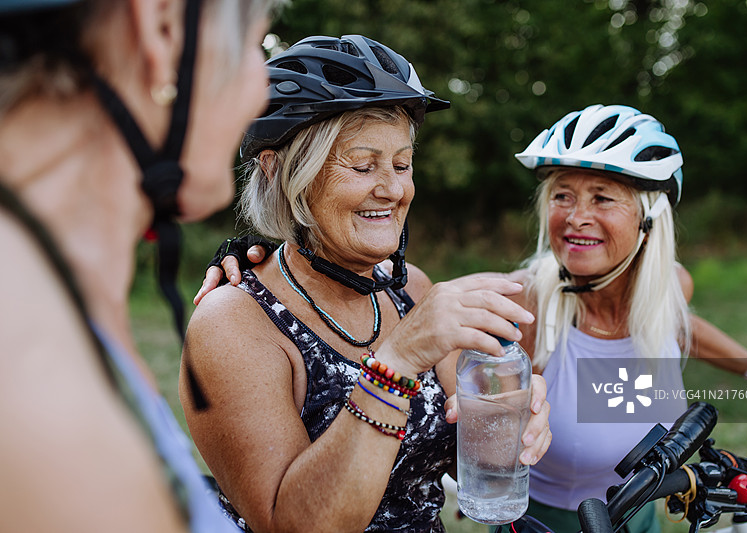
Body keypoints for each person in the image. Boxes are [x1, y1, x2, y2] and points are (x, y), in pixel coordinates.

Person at [179, 35, 551, 533]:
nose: (394, 189)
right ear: (281, 172)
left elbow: (453, 462)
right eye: (362, 165)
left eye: (402, 164)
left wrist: (506, 416)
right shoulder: (233, 322)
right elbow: (294, 524)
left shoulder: (408, 289)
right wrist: (395, 365)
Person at [0, 0, 281, 531]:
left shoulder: (48, 295)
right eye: (253, 47)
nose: (260, 91)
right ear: (162, 30)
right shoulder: (29, 369)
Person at [509, 103, 747, 533]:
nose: (576, 216)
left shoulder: (671, 285)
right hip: (548, 522)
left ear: (648, 219)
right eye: (563, 195)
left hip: (642, 515)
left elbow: (675, 322)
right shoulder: (528, 304)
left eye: (601, 197)